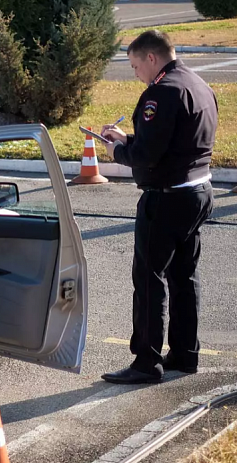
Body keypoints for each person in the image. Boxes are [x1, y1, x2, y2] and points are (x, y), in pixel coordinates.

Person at [99, 30, 217, 384]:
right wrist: (129, 138)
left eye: (135, 66)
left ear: (152, 58)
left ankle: (146, 361)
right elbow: (174, 141)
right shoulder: (197, 84)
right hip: (198, 190)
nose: (136, 73)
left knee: (149, 278)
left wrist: (117, 152)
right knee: (184, 275)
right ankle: (185, 352)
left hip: (167, 198)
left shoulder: (161, 93)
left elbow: (148, 157)